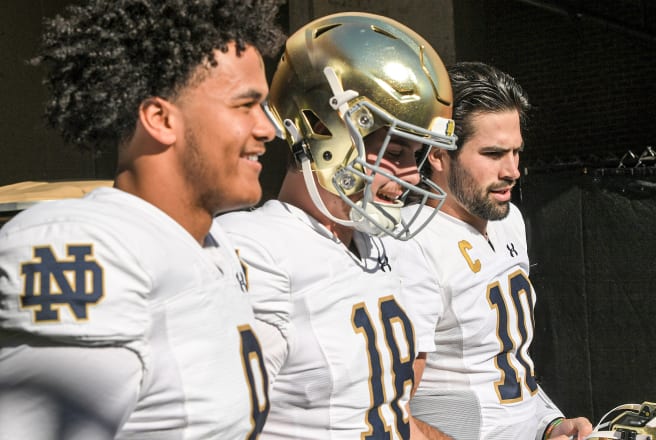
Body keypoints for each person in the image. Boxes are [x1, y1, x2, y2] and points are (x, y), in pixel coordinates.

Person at [0, 1, 285, 439]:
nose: (268, 129)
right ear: (160, 119)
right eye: (245, 105)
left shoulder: (209, 243)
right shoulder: (92, 246)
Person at [217, 12, 457, 440]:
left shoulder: (377, 246)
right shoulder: (259, 252)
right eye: (396, 149)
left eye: (416, 154)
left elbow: (384, 416)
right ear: (328, 133)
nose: (414, 175)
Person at [406, 61, 593, 440]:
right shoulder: (410, 243)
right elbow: (386, 411)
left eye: (516, 152)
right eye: (493, 154)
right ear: (439, 153)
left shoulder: (509, 220)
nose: (512, 171)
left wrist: (549, 425)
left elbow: (505, 365)